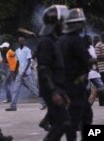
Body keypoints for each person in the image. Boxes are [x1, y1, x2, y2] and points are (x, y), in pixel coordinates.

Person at [56, 8, 96, 141]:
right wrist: (98, 59)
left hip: (67, 86)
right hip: (75, 87)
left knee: (86, 116)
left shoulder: (61, 40)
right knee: (74, 121)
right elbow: (88, 60)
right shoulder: (75, 40)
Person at [36, 5, 71, 140]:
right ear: (55, 22)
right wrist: (54, 92)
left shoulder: (53, 40)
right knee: (63, 122)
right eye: (61, 21)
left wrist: (62, 91)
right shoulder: (45, 41)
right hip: (51, 89)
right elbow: (43, 69)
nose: (63, 24)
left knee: (61, 123)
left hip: (57, 87)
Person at [5, 37, 46, 111]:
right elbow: (17, 62)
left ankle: (43, 103)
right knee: (15, 89)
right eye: (20, 41)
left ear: (24, 42)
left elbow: (29, 61)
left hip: (26, 73)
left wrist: (25, 71)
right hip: (20, 73)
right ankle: (13, 106)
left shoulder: (27, 50)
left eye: (22, 41)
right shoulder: (17, 51)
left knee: (33, 89)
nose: (21, 42)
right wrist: (15, 72)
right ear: (18, 42)